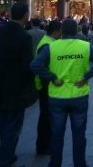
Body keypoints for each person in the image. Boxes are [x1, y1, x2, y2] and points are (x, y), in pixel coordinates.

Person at [31, 18, 93, 167]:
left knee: (57, 134)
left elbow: (35, 65)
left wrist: (52, 77)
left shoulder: (52, 47)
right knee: (79, 134)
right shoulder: (85, 46)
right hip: (79, 95)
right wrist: (85, 77)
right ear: (77, 31)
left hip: (57, 96)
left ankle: (55, 163)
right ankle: (80, 164)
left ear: (62, 31)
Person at [0, 3, 38, 166]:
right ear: (25, 16)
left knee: (3, 122)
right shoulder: (24, 37)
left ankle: (5, 152)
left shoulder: (0, 32)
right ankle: (6, 156)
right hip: (16, 88)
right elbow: (27, 65)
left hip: (0, 85)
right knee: (13, 124)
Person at [34, 20, 62, 156]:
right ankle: (43, 146)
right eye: (60, 32)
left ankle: (45, 145)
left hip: (48, 85)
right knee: (46, 117)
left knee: (47, 116)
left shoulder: (49, 43)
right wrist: (52, 78)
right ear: (56, 32)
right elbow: (40, 67)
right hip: (46, 87)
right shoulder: (46, 45)